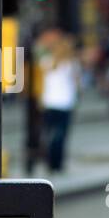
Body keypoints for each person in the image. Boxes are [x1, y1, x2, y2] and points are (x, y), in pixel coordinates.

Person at [40, 33, 79, 173]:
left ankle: (50, 162)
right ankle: (58, 163)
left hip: (49, 102)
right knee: (61, 135)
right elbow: (77, 83)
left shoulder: (46, 61)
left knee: (50, 134)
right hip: (65, 102)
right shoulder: (70, 64)